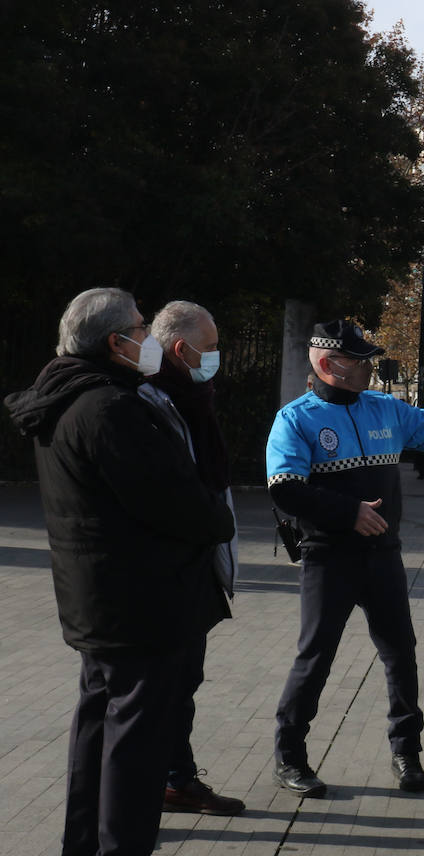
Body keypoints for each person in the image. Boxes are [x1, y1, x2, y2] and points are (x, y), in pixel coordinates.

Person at [4, 288, 235, 856]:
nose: (148, 337)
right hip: (141, 604)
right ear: (116, 343)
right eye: (140, 328)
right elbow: (175, 502)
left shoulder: (65, 397)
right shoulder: (109, 408)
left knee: (97, 731)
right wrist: (218, 516)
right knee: (137, 740)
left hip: (99, 600)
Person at [265, 320, 424, 797]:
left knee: (401, 653)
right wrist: (348, 513)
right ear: (329, 365)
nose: (370, 368)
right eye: (360, 361)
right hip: (328, 557)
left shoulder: (384, 409)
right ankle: (290, 756)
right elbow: (285, 489)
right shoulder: (295, 419)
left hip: (382, 556)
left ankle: (406, 752)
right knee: (315, 658)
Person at [139, 300, 245, 816]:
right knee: (160, 695)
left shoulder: (192, 395)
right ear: (181, 350)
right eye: (211, 347)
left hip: (195, 570)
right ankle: (140, 795)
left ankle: (177, 780)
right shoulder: (149, 401)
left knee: (183, 687)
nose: (217, 356)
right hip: (165, 578)